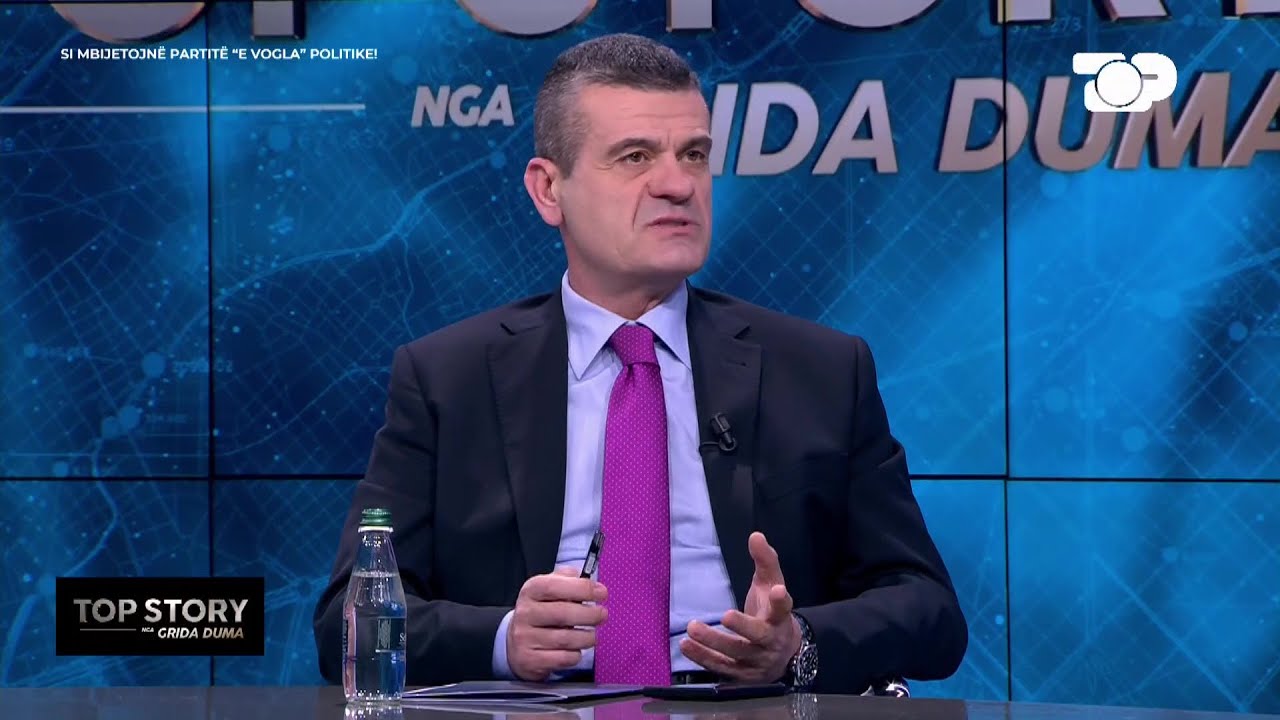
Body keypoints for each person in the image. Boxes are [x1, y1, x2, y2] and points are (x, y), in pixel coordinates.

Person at [313, 32, 967, 695]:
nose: (678, 185)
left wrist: (796, 643)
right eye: (635, 157)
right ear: (549, 190)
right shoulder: (448, 381)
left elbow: (930, 611)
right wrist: (504, 639)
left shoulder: (821, 371)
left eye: (694, 155)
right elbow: (346, 625)